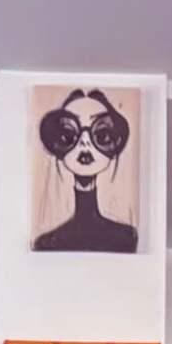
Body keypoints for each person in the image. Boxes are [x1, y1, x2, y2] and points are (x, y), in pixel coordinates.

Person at [32, 88, 137, 254]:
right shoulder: (47, 243)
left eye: (102, 135)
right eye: (68, 134)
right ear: (56, 147)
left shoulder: (127, 238)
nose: (85, 143)